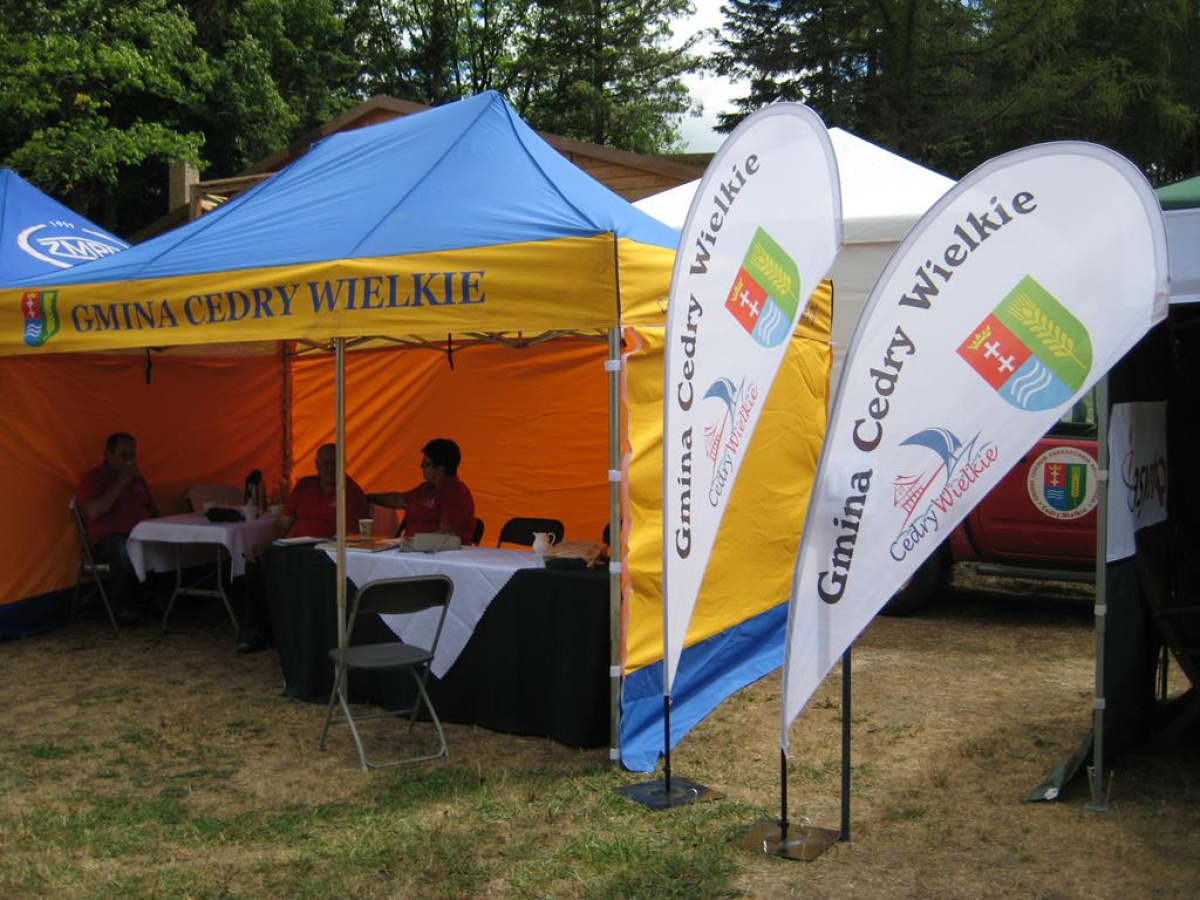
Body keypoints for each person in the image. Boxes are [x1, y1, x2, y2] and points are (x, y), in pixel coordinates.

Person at [238, 443, 369, 652]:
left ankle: (296, 632)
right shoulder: (304, 486)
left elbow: (352, 537)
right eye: (325, 463)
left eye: (335, 463)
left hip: (324, 554)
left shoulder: (351, 492)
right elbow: (283, 523)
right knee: (255, 562)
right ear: (316, 465)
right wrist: (263, 545)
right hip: (293, 549)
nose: (330, 468)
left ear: (344, 465)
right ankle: (259, 631)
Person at [76, 432, 159, 626]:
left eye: (132, 454)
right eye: (124, 455)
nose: (129, 460)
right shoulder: (94, 478)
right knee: (124, 549)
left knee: (165, 545)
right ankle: (123, 608)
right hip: (107, 542)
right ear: (108, 455)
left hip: (139, 535)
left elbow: (154, 510)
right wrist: (120, 483)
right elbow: (93, 511)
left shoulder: (139, 480)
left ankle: (155, 599)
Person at [367, 438, 476, 545]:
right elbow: (398, 500)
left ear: (440, 469)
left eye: (426, 464)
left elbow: (444, 534)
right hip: (413, 549)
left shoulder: (455, 494)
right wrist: (368, 498)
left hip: (438, 552)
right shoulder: (426, 488)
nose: (421, 467)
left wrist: (408, 545)